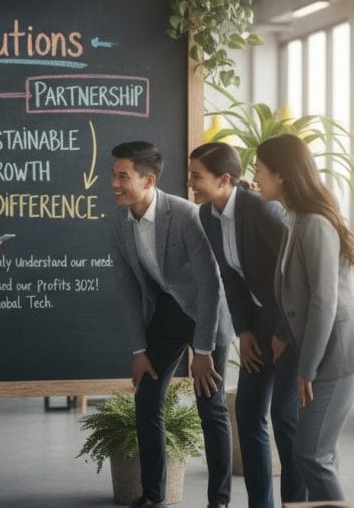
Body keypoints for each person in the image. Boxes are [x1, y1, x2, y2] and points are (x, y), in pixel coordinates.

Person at [252, 133, 354, 501]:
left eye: (260, 170)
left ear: (282, 176)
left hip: (339, 354)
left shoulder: (315, 224)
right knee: (321, 452)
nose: (256, 176)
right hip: (325, 351)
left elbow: (323, 302)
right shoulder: (295, 217)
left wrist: (305, 369)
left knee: (311, 454)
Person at [108, 141, 234, 508]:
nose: (114, 184)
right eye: (113, 175)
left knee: (210, 404)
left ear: (148, 180)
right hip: (165, 312)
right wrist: (138, 348)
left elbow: (210, 284)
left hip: (205, 313)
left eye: (122, 176)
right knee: (147, 397)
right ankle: (152, 495)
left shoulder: (184, 215)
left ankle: (220, 501)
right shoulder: (117, 222)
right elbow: (126, 288)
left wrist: (204, 349)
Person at [187, 142, 306, 508]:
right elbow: (229, 276)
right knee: (249, 412)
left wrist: (283, 334)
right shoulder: (207, 215)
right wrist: (244, 331)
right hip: (257, 325)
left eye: (197, 176)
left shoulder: (264, 211)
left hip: (292, 326)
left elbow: (296, 278)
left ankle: (297, 504)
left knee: (285, 419)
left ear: (224, 179)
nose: (191, 183)